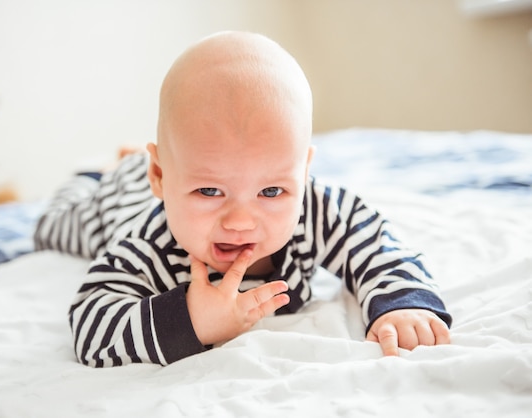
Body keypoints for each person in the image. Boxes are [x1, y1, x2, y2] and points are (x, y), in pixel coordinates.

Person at [34, 31, 452, 367]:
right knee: (52, 227)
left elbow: (374, 240)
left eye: (271, 191)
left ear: (303, 174)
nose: (240, 221)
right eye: (209, 190)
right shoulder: (149, 246)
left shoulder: (314, 207)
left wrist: (401, 304)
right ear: (160, 176)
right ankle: (96, 175)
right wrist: (193, 321)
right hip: (119, 201)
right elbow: (90, 324)